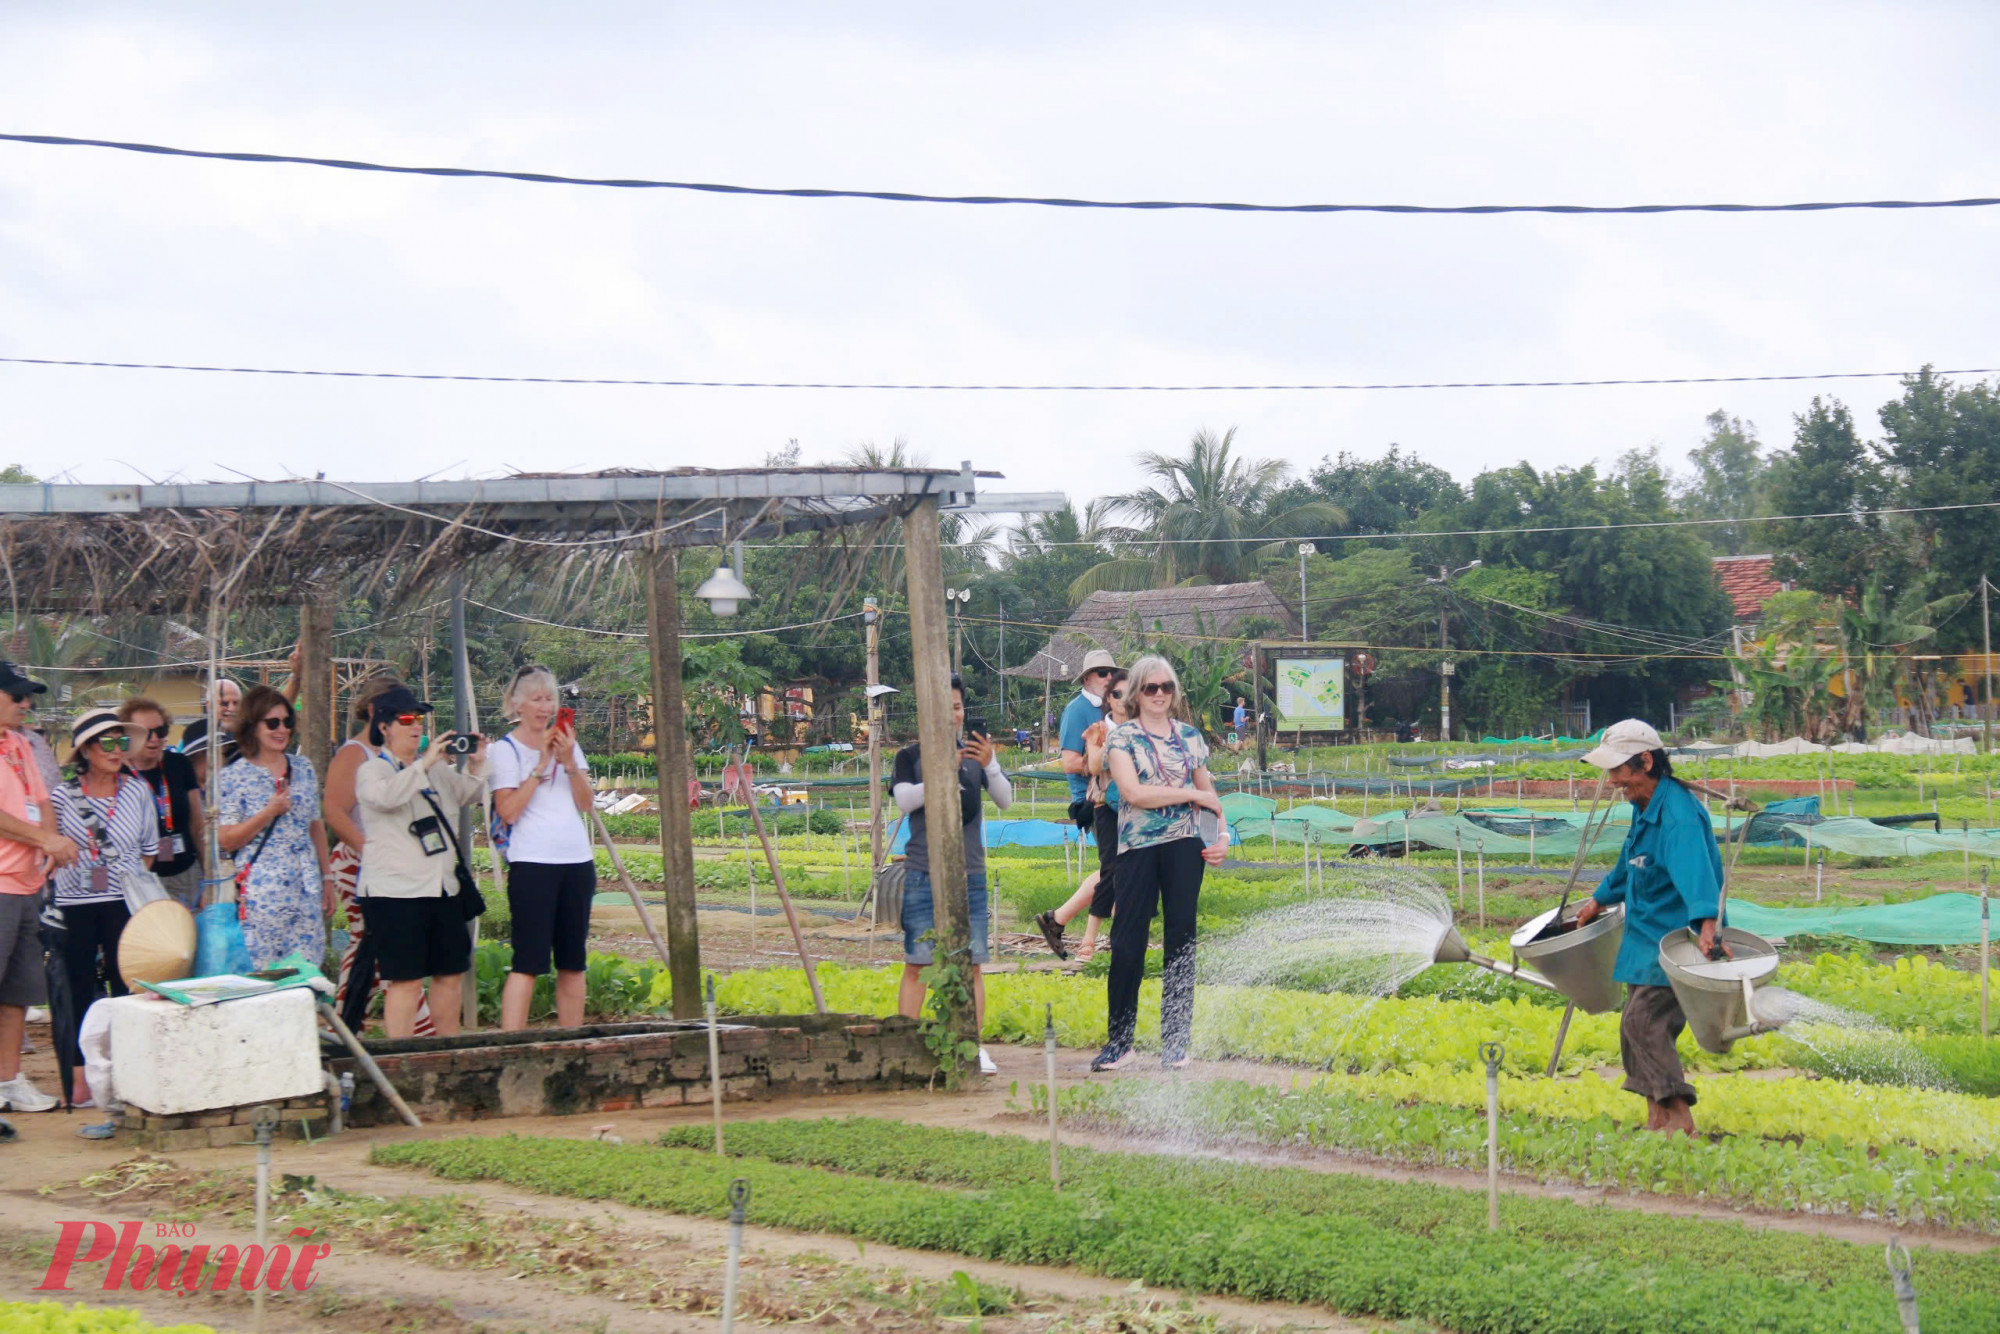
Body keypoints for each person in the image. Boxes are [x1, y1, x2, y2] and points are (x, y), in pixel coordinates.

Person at [1573, 719, 1725, 1137]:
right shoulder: (1645, 808)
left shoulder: (1677, 815)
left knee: (1644, 1023)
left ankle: (1680, 1118)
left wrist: (1708, 926)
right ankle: (1656, 1119)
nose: (1615, 784)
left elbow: (1698, 873)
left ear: (1645, 760)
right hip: (1643, 936)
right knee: (1632, 1029)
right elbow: (1630, 863)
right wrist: (1599, 899)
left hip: (1675, 940)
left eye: (1622, 775)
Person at [1096, 655, 1228, 1072]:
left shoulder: (1190, 738)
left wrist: (1222, 836)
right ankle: (1120, 1041)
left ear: (1174, 692)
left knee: (1181, 938)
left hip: (1186, 846)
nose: (1158, 695)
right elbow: (1133, 794)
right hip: (1137, 848)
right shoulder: (1121, 739)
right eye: (1150, 688)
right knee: (1128, 940)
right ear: (1136, 693)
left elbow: (1209, 792)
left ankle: (1176, 1041)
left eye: (1166, 687)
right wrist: (1190, 796)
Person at [891, 673, 1011, 1075]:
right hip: (924, 869)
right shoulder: (910, 755)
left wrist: (990, 764)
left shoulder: (976, 756)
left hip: (969, 872)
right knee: (918, 962)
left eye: (957, 708)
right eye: (943, 709)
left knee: (973, 962)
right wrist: (941, 774)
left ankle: (971, 1046)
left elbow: (1005, 800)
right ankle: (904, 1047)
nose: (952, 716)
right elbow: (905, 800)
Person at [354, 686, 487, 1038]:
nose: (416, 727)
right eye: (407, 720)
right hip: (394, 893)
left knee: (449, 973)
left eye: (419, 720)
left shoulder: (435, 771)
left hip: (441, 887)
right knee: (406, 981)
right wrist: (425, 764)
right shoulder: (372, 771)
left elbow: (468, 793)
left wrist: (477, 764)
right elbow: (387, 798)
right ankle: (402, 1063)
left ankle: (447, 1054)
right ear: (384, 726)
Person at [50, 709, 157, 1106]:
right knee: (77, 986)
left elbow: (148, 851)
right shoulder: (62, 797)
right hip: (75, 901)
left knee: (125, 984)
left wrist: (123, 881)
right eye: (106, 743)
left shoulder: (138, 791)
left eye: (121, 742)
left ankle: (126, 1072)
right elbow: (52, 846)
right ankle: (80, 1080)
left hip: (123, 904)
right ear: (86, 750)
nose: (116, 750)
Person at [324, 675, 434, 1036]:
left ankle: (351, 1023)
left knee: (380, 949)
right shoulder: (355, 753)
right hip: (360, 861)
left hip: (393, 862)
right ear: (374, 711)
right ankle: (389, 1027)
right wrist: (368, 851)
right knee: (377, 944)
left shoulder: (399, 754)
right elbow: (335, 811)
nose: (407, 720)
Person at [489, 665, 595, 1031]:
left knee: (573, 961)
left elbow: (585, 803)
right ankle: (511, 1045)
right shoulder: (505, 751)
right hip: (532, 864)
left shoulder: (569, 744)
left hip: (577, 862)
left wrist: (567, 762)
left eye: (549, 698)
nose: (545, 706)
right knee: (529, 962)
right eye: (536, 698)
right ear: (517, 704)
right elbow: (508, 811)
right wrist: (541, 767)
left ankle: (573, 1042)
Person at [218, 686, 333, 969]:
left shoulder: (303, 767)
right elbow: (227, 840)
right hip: (262, 895)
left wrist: (327, 877)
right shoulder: (234, 776)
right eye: (272, 723)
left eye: (287, 722)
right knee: (266, 980)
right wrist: (268, 812)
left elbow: (314, 824)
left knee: (306, 978)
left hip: (306, 890)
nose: (282, 729)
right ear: (253, 726)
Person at [0, 663, 71, 1115]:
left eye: (27, 697)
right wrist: (45, 839)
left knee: (19, 993)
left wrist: (48, 844)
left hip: (28, 885)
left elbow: (42, 800)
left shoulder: (22, 744)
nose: (26, 704)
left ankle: (8, 1082)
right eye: (17, 696)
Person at [1035, 670, 1129, 961]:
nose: (1108, 680)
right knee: (1112, 870)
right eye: (1104, 677)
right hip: (1100, 801)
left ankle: (1059, 919)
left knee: (1121, 869)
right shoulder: (1083, 715)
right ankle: (1089, 938)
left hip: (1133, 805)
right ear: (1088, 678)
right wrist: (1109, 757)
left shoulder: (1139, 725)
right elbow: (1072, 762)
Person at [117, 698, 206, 911]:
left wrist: (209, 875)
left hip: (186, 872)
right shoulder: (119, 774)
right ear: (130, 736)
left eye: (161, 730)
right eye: (147, 733)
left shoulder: (179, 764)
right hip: (143, 879)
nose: (155, 739)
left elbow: (197, 825)